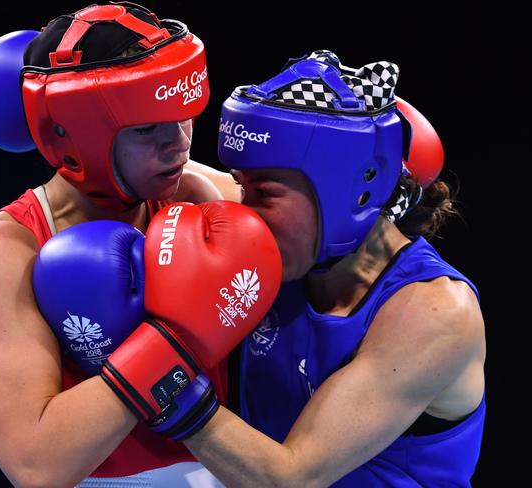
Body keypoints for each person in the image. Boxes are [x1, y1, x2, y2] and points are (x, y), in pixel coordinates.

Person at [162, 50, 485, 486]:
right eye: (241, 184)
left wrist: (158, 377)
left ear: (347, 194)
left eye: (263, 191)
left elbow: (291, 478)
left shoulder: (435, 313)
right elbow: (169, 174)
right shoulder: (290, 234)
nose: (244, 214)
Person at [0, 2, 242, 486]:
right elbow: (36, 466)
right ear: (78, 136)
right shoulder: (5, 252)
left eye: (182, 115)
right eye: (147, 128)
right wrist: (178, 335)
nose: (178, 144)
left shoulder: (205, 198)